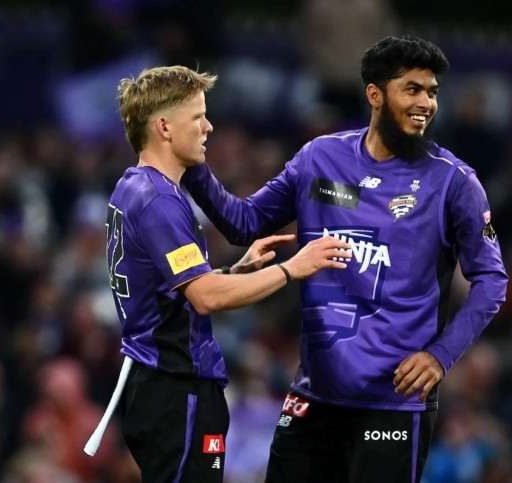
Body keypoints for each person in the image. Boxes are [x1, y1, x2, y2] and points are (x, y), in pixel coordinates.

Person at [182, 35, 509, 482]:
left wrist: (440, 356)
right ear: (375, 95)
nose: (426, 103)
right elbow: (244, 223)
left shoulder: (453, 182)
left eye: (432, 92)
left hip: (392, 402)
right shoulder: (320, 158)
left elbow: (492, 280)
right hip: (313, 397)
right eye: (412, 89)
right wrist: (192, 165)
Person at [87, 66, 352, 483]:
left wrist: (233, 271)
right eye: (198, 117)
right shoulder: (159, 200)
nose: (208, 127)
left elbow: (170, 289)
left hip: (158, 384)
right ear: (164, 127)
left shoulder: (133, 186)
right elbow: (206, 296)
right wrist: (293, 268)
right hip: (177, 388)